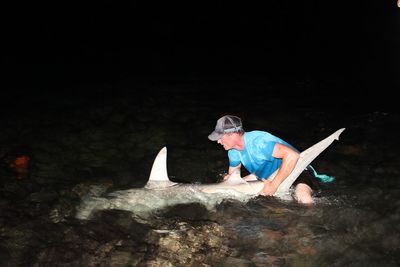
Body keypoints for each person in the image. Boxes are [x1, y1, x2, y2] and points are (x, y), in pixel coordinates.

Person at [208, 115, 328, 204]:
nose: (218, 141)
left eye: (220, 137)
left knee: (302, 196)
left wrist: (273, 186)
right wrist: (226, 181)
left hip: (297, 170)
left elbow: (293, 156)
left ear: (232, 135)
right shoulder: (233, 152)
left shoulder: (259, 142)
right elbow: (234, 177)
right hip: (266, 176)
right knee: (227, 190)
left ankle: (314, 229)